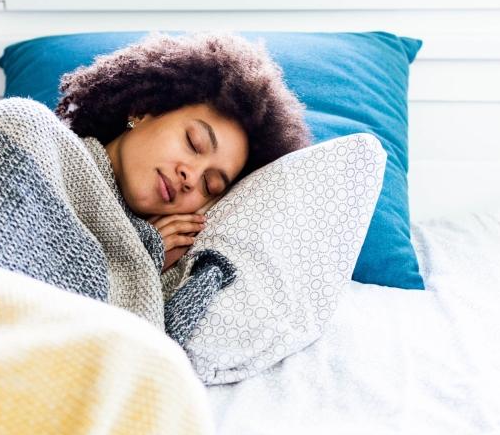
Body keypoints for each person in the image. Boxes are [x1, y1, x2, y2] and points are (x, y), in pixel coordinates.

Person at [55, 31, 312, 272]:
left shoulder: (171, 263)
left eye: (209, 185)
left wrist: (147, 259)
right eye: (193, 142)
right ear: (142, 111)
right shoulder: (33, 134)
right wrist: (134, 260)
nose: (190, 177)